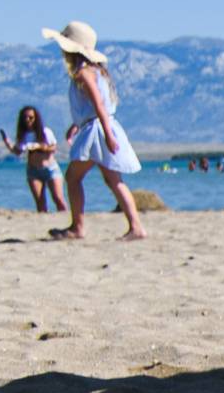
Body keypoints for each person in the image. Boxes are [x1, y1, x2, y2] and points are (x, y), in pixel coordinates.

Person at [41, 22, 147, 241]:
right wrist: (77, 124)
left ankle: (78, 227)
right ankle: (135, 226)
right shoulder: (98, 71)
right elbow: (95, 106)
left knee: (73, 177)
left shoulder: (83, 74)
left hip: (98, 131)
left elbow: (98, 105)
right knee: (113, 180)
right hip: (100, 126)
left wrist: (107, 135)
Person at [0, 103, 66, 216]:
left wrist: (39, 146)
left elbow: (53, 147)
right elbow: (17, 151)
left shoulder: (45, 132)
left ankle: (66, 219)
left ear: (36, 118)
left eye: (31, 117)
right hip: (33, 171)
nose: (28, 120)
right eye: (25, 117)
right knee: (40, 201)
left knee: (58, 198)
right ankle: (44, 222)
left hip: (50, 169)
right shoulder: (23, 135)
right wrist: (7, 142)